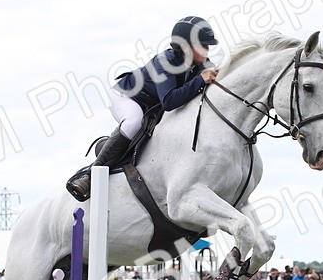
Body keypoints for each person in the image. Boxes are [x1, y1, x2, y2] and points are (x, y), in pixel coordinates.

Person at [66, 16, 220, 201]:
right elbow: (169, 101)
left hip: (150, 104)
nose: (207, 50)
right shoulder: (166, 62)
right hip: (127, 97)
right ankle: (90, 175)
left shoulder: (200, 64)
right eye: (203, 45)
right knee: (133, 122)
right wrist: (200, 80)